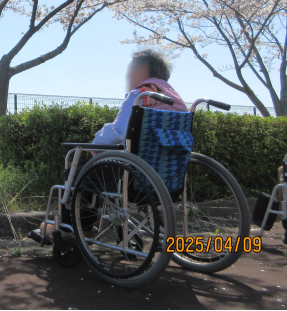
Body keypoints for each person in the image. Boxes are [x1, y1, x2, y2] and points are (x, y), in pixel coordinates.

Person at [32, 49, 188, 244]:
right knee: (96, 169)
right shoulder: (177, 102)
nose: (127, 76)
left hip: (133, 176)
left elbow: (117, 132)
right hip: (168, 177)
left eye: (130, 71)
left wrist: (95, 144)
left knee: (82, 169)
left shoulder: (140, 95)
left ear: (143, 71)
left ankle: (76, 228)